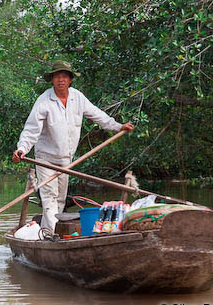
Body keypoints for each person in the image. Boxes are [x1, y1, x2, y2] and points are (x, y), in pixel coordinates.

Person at [12, 60, 134, 239]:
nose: (61, 80)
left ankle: (53, 233)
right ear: (52, 80)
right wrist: (22, 149)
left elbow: (97, 115)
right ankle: (49, 235)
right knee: (49, 197)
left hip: (66, 160)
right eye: (57, 77)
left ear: (70, 80)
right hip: (45, 158)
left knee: (60, 199)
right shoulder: (44, 100)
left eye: (64, 76)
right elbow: (31, 129)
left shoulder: (78, 97)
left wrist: (118, 127)